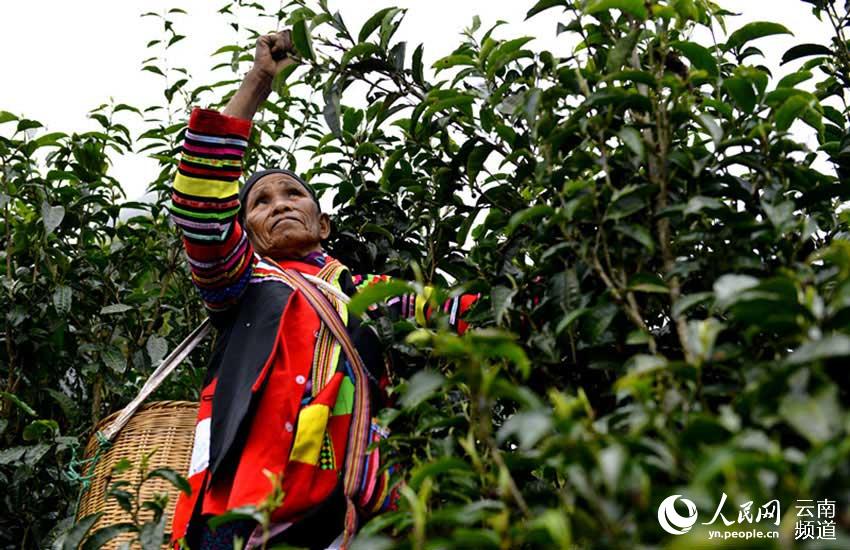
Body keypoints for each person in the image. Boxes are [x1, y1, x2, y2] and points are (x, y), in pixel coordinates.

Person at [168, 30, 478, 549]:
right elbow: (201, 209)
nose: (280, 204)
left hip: (354, 496)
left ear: (325, 223)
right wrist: (260, 80)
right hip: (245, 491)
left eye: (293, 193)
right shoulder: (243, 280)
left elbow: (459, 312)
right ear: (245, 230)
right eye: (260, 202)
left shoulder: (364, 289)